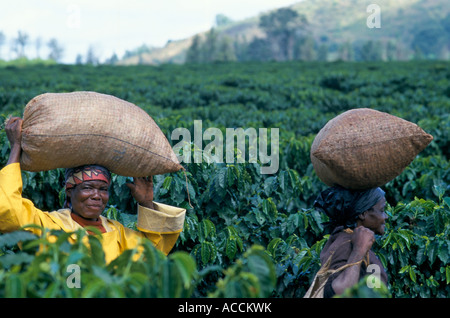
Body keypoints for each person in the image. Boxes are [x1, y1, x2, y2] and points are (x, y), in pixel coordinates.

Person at [0, 117, 186, 263]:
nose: (97, 196)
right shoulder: (49, 226)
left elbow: (152, 252)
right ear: (70, 191)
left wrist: (145, 202)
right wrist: (16, 146)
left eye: (103, 189)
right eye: (88, 188)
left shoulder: (117, 232)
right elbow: (6, 208)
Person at [312, 185, 389, 297]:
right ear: (363, 214)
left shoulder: (351, 239)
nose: (386, 216)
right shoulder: (347, 245)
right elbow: (338, 292)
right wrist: (359, 251)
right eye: (382, 210)